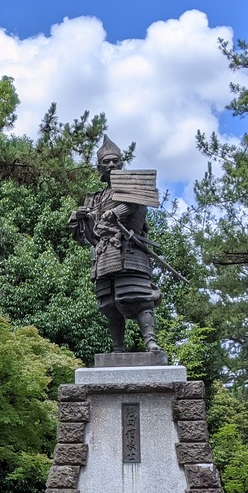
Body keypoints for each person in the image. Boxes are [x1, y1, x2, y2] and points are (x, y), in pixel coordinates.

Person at [68, 136, 163, 353]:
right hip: (104, 254)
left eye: (115, 161)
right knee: (109, 303)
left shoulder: (133, 185)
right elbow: (86, 234)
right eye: (106, 162)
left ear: (121, 163)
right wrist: (80, 216)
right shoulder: (94, 198)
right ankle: (118, 347)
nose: (111, 164)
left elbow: (137, 203)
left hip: (129, 250)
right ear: (99, 168)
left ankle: (151, 342)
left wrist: (116, 212)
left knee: (139, 297)